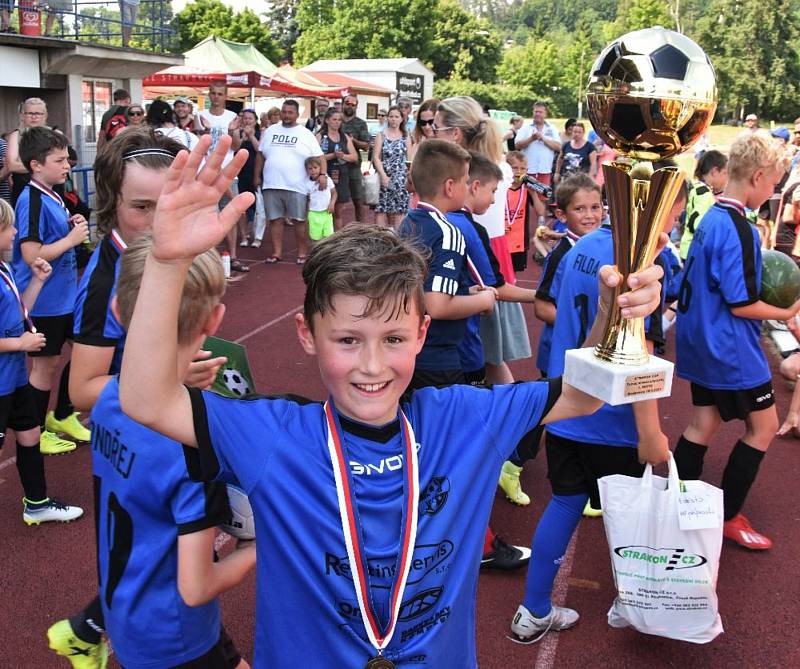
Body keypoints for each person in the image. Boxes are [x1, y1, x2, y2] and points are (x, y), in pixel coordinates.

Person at [116, 132, 665, 667]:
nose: (373, 366)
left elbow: (584, 397)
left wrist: (612, 313)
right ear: (308, 335)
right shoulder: (274, 436)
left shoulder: (464, 418)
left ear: (422, 334)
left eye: (394, 339)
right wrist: (167, 264)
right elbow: (145, 399)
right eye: (348, 340)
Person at [49, 127, 229, 669]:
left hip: (148, 433)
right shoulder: (109, 280)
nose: (156, 221)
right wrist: (162, 389)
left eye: (167, 203)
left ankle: (88, 627)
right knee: (165, 550)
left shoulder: (177, 255)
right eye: (140, 207)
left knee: (144, 546)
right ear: (112, 204)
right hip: (141, 435)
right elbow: (81, 388)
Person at [509, 185, 681, 644]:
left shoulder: (580, 246)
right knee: (631, 517)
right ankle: (633, 601)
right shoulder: (643, 262)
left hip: (569, 402)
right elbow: (639, 349)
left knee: (564, 502)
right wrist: (651, 430)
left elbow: (555, 311)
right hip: (616, 419)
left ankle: (534, 608)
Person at [87, 235, 256, 669]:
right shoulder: (193, 449)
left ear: (118, 311)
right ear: (215, 319)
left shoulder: (109, 397)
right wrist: (263, 544)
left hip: (127, 610)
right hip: (175, 634)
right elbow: (196, 587)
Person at [674, 131, 798, 551]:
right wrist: (785, 312)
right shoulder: (740, 226)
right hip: (727, 348)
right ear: (759, 176)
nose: (774, 190)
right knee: (762, 426)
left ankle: (679, 504)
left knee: (703, 422)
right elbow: (742, 302)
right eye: (774, 183)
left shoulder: (710, 213)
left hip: (698, 339)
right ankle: (727, 517)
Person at [0, 199, 84, 525]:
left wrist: (36, 281)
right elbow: (17, 334)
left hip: (16, 378)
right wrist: (19, 344)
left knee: (30, 434)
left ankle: (36, 503)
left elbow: (21, 313)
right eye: (8, 228)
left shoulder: (5, 269)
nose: (16, 232)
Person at [12, 127, 90, 455]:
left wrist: (68, 226)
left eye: (66, 160)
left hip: (66, 297)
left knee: (92, 347)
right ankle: (38, 430)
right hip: (43, 301)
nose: (67, 166)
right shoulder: (30, 198)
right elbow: (32, 256)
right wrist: (71, 241)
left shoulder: (52, 195)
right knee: (45, 367)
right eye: (58, 160)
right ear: (36, 165)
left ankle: (62, 414)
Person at [254, 99, 326, 265]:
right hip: (271, 183)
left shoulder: (305, 133)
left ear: (297, 114)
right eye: (284, 112)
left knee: (299, 220)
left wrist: (322, 174)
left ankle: (302, 253)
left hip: (297, 185)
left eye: (290, 112)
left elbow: (320, 157)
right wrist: (256, 176)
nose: (286, 115)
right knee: (275, 219)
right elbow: (260, 154)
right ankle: (277, 252)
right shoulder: (271, 130)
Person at [196, 83, 248, 273]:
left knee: (230, 214)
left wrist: (231, 130)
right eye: (213, 93)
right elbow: (199, 143)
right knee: (208, 215)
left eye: (219, 94)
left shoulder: (231, 117)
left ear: (225, 96)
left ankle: (233, 256)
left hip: (228, 172)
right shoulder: (201, 116)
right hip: (206, 172)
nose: (216, 97)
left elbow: (236, 146)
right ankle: (209, 257)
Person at [513, 102, 561, 225]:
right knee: (525, 196)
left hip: (544, 169)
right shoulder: (526, 128)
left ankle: (540, 221)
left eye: (540, 112)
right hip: (528, 170)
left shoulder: (551, 128)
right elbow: (517, 145)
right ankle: (525, 221)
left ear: (545, 113)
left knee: (543, 196)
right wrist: (532, 139)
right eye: (536, 111)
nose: (538, 114)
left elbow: (558, 146)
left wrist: (543, 139)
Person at [680, 149, 728, 261]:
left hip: (688, 249)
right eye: (725, 173)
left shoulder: (697, 187)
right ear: (715, 171)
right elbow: (696, 223)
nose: (726, 179)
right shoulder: (704, 194)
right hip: (694, 251)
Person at [316, 107, 357, 230]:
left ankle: (336, 240)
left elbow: (354, 157)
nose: (337, 122)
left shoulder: (344, 137)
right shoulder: (320, 136)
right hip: (325, 175)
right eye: (334, 119)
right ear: (327, 120)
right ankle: (321, 238)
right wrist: (333, 155)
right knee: (322, 210)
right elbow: (315, 158)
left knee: (338, 212)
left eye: (339, 120)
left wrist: (343, 156)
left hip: (342, 176)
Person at [6, 97, 51, 206]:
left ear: (45, 115)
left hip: (50, 189)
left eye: (38, 113)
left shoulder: (54, 135)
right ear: (22, 116)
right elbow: (11, 165)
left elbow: (63, 163)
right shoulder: (16, 136)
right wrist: (44, 166)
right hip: (23, 188)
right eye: (30, 113)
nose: (34, 117)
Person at [373, 106, 411, 228]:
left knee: (400, 211)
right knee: (381, 209)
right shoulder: (381, 135)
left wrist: (408, 178)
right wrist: (383, 176)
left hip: (401, 179)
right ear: (387, 118)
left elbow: (409, 160)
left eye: (396, 116)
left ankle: (398, 241)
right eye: (391, 116)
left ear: (401, 119)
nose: (393, 119)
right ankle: (382, 240)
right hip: (385, 177)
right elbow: (376, 157)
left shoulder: (406, 136)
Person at [235, 109, 263, 247]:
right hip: (240, 174)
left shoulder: (259, 133)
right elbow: (234, 148)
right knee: (241, 206)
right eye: (245, 118)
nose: (247, 121)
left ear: (255, 120)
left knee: (257, 207)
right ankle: (243, 235)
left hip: (255, 173)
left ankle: (256, 235)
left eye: (250, 118)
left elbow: (260, 149)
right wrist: (242, 137)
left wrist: (251, 136)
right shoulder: (238, 133)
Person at [341, 94, 370, 221]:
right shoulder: (335, 120)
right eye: (347, 103)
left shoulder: (361, 123)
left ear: (356, 107)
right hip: (336, 166)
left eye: (353, 104)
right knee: (334, 201)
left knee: (358, 201)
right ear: (342, 104)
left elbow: (366, 146)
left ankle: (361, 231)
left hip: (354, 167)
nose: (350, 106)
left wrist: (353, 141)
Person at [504, 151, 531, 273]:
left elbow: (541, 210)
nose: (519, 172)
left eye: (523, 168)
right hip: (501, 239)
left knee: (513, 276)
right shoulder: (500, 187)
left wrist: (534, 192)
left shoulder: (527, 190)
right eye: (515, 168)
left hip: (518, 243)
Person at [304, 156, 336, 243]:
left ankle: (327, 254)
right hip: (314, 213)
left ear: (320, 168)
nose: (313, 170)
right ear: (306, 170)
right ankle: (317, 254)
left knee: (329, 238)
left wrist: (332, 204)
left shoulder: (327, 179)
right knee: (315, 239)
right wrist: (307, 214)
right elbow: (307, 200)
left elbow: (334, 193)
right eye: (310, 168)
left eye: (315, 167)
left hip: (327, 212)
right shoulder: (307, 184)